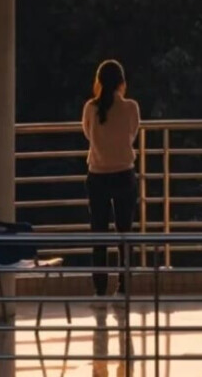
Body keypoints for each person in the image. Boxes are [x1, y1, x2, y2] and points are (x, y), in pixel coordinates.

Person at [82, 59, 140, 297]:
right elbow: (132, 134)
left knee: (99, 233)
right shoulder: (131, 107)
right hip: (124, 174)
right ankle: (123, 287)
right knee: (125, 233)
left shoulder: (90, 108)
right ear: (121, 83)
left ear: (99, 82)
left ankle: (99, 290)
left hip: (97, 175)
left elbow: (87, 134)